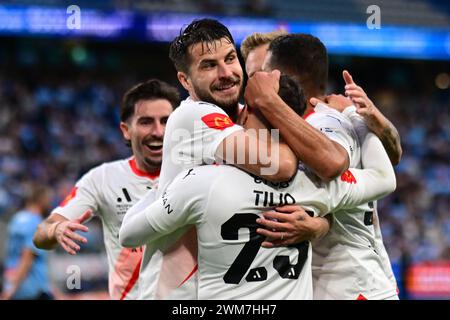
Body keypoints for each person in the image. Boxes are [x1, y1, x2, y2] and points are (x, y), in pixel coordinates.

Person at [120, 19, 347, 299]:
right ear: (185, 80)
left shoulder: (243, 116)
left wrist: (318, 224)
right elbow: (282, 167)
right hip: (180, 293)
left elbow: (315, 187)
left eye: (230, 59)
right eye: (208, 65)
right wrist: (276, 110)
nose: (226, 73)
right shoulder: (194, 116)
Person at [119, 75, 397, 299]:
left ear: (247, 112)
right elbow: (384, 177)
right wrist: (355, 116)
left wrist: (165, 186)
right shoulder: (318, 185)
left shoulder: (201, 182)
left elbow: (129, 235)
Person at [253, 33, 402, 299]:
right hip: (325, 282)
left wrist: (356, 115)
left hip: (350, 284)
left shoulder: (325, 125)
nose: (257, 83)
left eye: (263, 72)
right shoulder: (296, 122)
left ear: (281, 75)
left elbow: (333, 166)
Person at [33, 79, 179, 300]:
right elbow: (41, 233)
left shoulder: (198, 174)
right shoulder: (102, 179)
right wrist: (56, 230)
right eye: (146, 122)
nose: (158, 131)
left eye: (166, 121)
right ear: (126, 130)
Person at [2, 183, 53, 300]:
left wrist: (10, 287)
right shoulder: (35, 222)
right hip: (32, 288)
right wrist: (12, 289)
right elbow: (27, 257)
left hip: (13, 281)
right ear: (42, 200)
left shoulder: (16, 218)